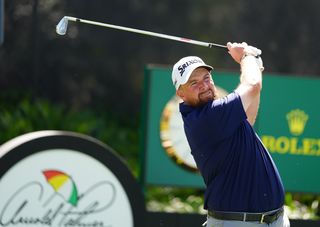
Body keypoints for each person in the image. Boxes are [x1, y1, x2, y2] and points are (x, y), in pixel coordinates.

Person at [171, 42, 290, 227]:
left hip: (273, 220)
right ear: (181, 93)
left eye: (206, 78)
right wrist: (245, 57)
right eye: (194, 83)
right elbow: (252, 85)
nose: (204, 86)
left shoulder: (216, 115)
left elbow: (248, 117)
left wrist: (254, 64)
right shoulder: (205, 118)